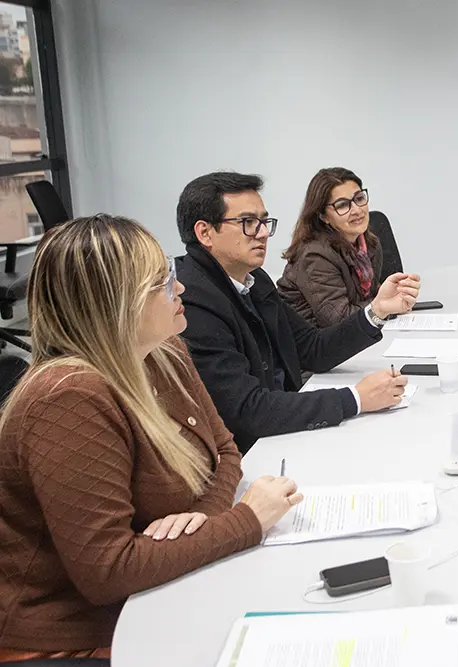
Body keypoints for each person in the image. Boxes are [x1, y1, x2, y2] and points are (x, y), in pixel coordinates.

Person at [0, 215, 302, 661]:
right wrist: (246, 521)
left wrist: (199, 518)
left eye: (172, 276)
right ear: (113, 305)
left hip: (154, 593)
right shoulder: (67, 398)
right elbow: (108, 570)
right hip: (72, 638)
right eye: (162, 284)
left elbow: (224, 451)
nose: (180, 291)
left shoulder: (164, 350)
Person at [175, 172, 420, 453]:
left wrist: (376, 311)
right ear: (205, 232)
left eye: (263, 221)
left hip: (282, 431)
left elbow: (312, 349)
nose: (263, 233)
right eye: (248, 223)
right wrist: (356, 399)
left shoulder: (254, 280)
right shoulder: (191, 300)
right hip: (249, 456)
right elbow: (246, 411)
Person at [278, 167, 383, 327]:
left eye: (359, 198)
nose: (356, 210)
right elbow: (339, 321)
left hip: (352, 339)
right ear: (323, 216)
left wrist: (397, 293)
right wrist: (383, 305)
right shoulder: (315, 256)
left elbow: (369, 296)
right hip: (312, 343)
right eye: (342, 205)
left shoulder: (369, 244)